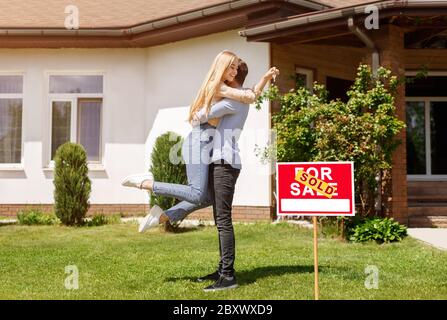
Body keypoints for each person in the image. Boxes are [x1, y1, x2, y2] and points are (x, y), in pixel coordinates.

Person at [122, 51, 278, 232]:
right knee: (196, 193)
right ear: (222, 66)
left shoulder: (224, 88)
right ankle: (146, 183)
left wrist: (265, 78)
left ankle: (163, 216)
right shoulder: (217, 85)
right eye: (231, 67)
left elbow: (249, 95)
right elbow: (248, 97)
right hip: (200, 139)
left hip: (207, 140)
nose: (235, 72)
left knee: (207, 197)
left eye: (236, 68)